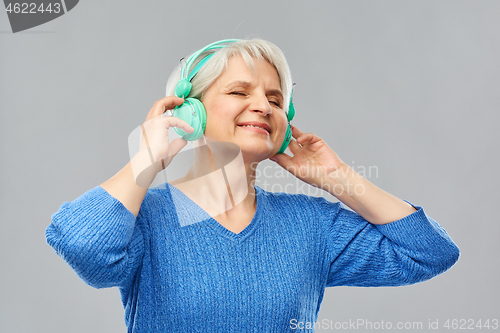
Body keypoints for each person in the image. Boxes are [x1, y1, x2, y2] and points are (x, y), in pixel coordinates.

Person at [45, 39, 460, 332]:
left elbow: (430, 253)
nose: (263, 105)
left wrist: (337, 179)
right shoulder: (147, 219)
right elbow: (84, 249)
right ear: (190, 110)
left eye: (276, 100)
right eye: (239, 91)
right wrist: (145, 161)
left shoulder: (311, 225)